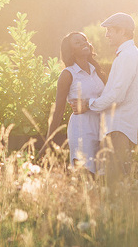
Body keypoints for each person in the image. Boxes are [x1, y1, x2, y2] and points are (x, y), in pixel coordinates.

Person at [71, 12, 138, 184]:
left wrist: (89, 104)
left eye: (110, 30)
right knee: (113, 182)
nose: (107, 35)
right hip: (115, 129)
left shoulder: (127, 56)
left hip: (117, 130)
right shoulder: (127, 54)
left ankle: (118, 212)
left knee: (114, 184)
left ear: (123, 31)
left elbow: (117, 95)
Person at [44, 32, 107, 173]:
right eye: (78, 42)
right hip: (82, 131)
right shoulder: (68, 74)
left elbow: (107, 98)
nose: (84, 43)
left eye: (84, 40)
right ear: (71, 51)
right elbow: (58, 110)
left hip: (102, 129)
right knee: (85, 176)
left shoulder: (96, 70)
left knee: (103, 177)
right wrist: (48, 141)